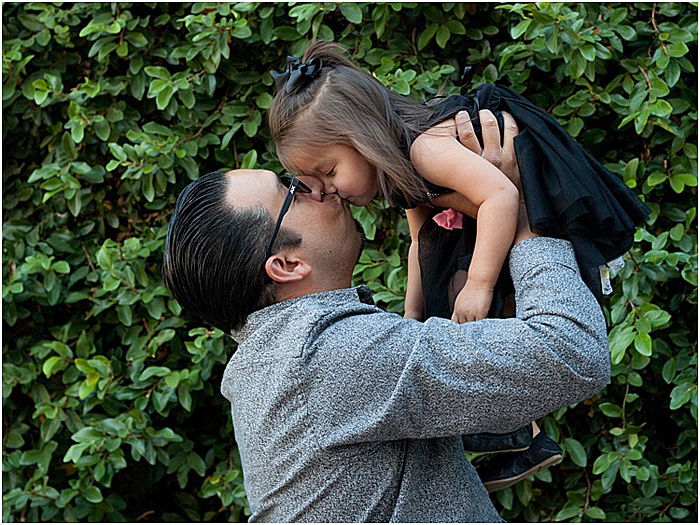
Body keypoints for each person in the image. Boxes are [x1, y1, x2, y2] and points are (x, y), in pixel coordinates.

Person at [162, 111, 611, 522]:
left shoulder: (283, 357)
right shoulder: (329, 357)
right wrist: (526, 216)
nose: (315, 185)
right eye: (293, 190)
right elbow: (573, 350)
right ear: (286, 265)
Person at [266, 40, 649, 489]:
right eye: (314, 181)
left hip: (538, 192)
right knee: (443, 281)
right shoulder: (398, 178)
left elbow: (502, 194)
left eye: (329, 171)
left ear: (363, 136)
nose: (328, 190)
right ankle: (518, 436)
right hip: (493, 206)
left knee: (472, 294)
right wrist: (410, 316)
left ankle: (516, 431)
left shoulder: (427, 150)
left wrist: (481, 283)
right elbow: (418, 242)